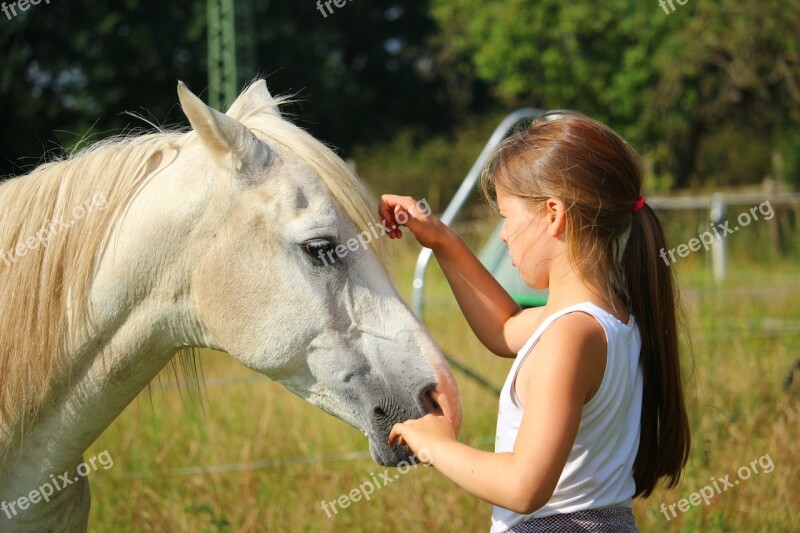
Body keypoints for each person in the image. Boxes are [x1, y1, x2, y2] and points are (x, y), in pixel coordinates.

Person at [382, 111, 691, 532]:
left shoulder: (569, 337)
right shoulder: (611, 314)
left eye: (506, 217)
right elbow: (505, 327)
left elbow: (524, 487)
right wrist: (441, 239)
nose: (503, 235)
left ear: (552, 214)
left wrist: (437, 446)